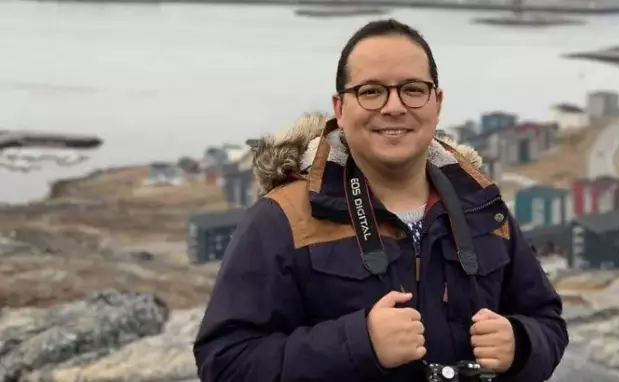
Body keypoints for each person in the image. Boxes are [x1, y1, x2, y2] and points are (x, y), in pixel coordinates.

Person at [193, 19, 568, 382]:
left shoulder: (481, 206)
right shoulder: (283, 218)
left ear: (436, 102)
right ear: (340, 108)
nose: (394, 107)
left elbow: (547, 321)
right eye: (371, 91)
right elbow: (225, 363)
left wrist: (520, 345)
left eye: (413, 89)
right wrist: (358, 344)